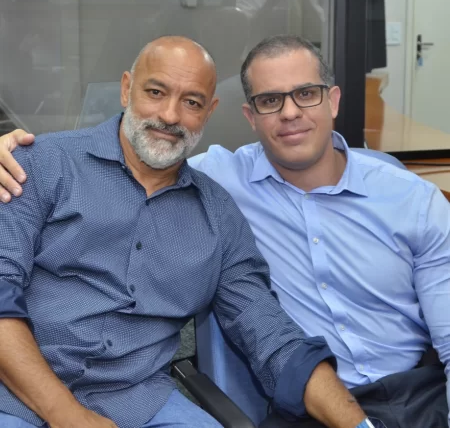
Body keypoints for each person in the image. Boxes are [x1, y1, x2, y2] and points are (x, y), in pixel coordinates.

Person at [1, 34, 449, 428]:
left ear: (210, 111)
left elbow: (268, 334)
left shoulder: (218, 210)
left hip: (141, 402)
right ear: (125, 89)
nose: (170, 115)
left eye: (192, 102)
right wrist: (68, 416)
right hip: (16, 394)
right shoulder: (38, 166)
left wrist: (359, 425)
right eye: (155, 92)